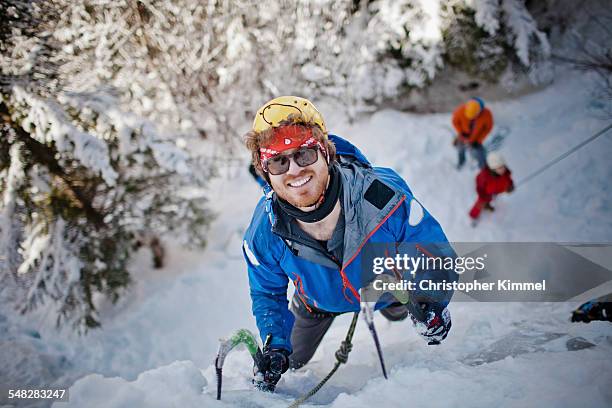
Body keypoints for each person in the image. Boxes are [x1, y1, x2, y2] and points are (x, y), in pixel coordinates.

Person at [242, 96, 458, 392]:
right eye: (278, 161)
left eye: (304, 154)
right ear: (265, 173)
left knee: (402, 307)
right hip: (316, 303)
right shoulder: (264, 231)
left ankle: (398, 306)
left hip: (386, 290)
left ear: (326, 154)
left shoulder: (382, 197)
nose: (293, 170)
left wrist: (431, 300)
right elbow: (266, 290)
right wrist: (274, 345)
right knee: (291, 364)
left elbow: (433, 252)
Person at [469, 152, 514, 221]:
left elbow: (509, 180)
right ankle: (473, 215)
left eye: (503, 166)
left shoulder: (505, 173)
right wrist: (482, 196)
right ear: (493, 169)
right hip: (485, 194)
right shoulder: (485, 176)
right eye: (499, 168)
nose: (503, 169)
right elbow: (479, 186)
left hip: (496, 191)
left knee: (490, 199)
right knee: (480, 203)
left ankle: (487, 205)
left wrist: (510, 186)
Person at [452, 97, 493, 169]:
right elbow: (455, 122)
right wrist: (461, 132)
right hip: (463, 135)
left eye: (473, 117)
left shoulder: (486, 114)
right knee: (460, 148)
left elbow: (487, 128)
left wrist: (479, 140)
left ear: (479, 112)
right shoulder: (460, 110)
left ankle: (483, 168)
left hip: (476, 138)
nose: (471, 119)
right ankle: (461, 161)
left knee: (480, 152)